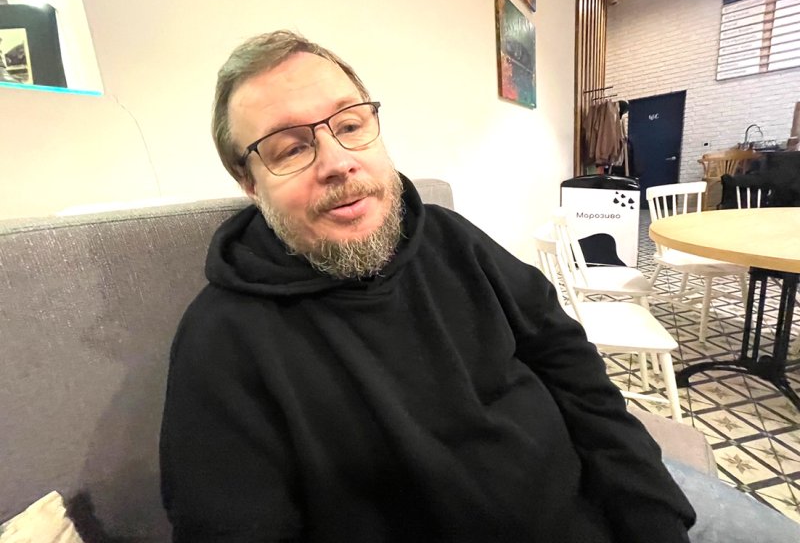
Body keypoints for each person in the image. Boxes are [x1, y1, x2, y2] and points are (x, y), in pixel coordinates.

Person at [159, 30, 800, 542]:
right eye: (290, 147)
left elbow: (572, 369)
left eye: (349, 125)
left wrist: (651, 516)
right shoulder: (222, 342)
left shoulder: (449, 237)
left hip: (606, 502)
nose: (338, 162)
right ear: (249, 182)